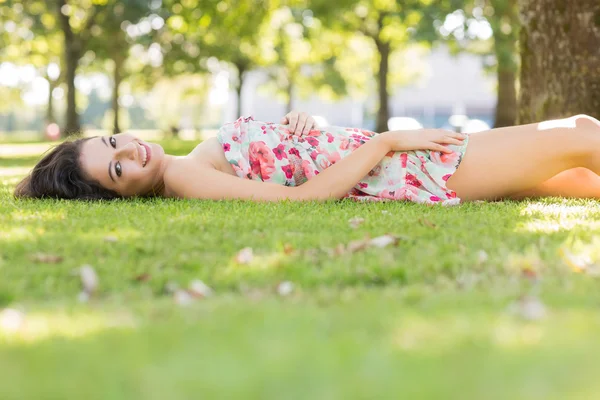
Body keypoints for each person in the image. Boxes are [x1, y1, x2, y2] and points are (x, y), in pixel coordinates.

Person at [13, 111, 600, 205]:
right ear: (120, 196)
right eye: (118, 169)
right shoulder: (186, 177)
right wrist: (388, 143)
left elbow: (297, 158)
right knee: (578, 132)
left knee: (576, 178)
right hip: (414, 165)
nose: (132, 151)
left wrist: (302, 123)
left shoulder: (190, 157)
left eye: (115, 142)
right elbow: (302, 198)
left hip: (406, 158)